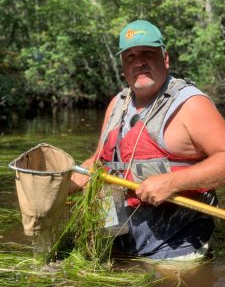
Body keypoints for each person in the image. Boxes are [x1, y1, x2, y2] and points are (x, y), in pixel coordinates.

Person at [70, 19, 225, 260]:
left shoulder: (191, 105)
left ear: (165, 58)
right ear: (123, 67)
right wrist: (69, 179)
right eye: (130, 57)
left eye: (147, 53)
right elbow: (99, 160)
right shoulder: (117, 104)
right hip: (120, 239)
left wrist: (173, 182)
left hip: (176, 245)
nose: (139, 61)